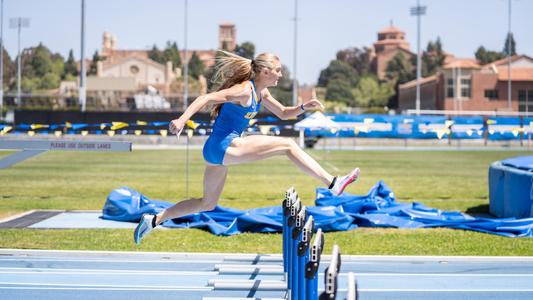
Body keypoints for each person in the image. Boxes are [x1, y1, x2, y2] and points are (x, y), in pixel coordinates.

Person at [134, 51, 360, 244]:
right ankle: (333, 183)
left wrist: (304, 106)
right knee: (289, 145)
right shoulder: (245, 91)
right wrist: (182, 120)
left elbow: (283, 113)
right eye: (278, 70)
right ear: (265, 72)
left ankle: (154, 219)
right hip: (225, 146)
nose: (281, 74)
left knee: (207, 203)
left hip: (216, 151)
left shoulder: (262, 93)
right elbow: (206, 97)